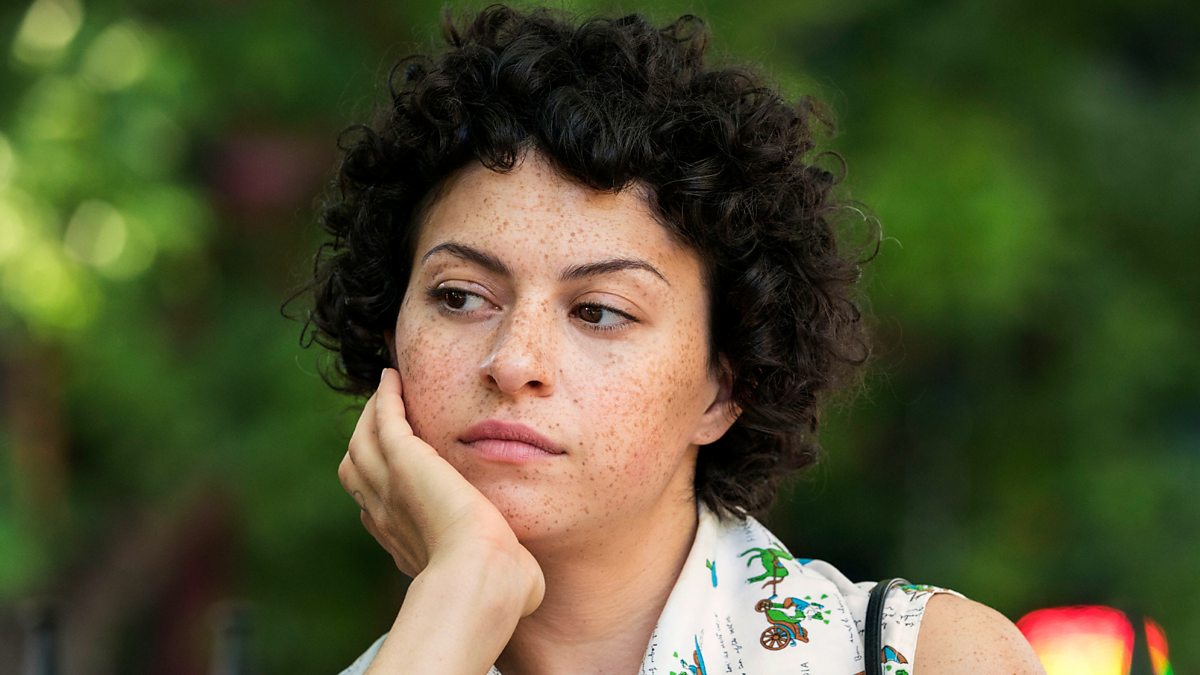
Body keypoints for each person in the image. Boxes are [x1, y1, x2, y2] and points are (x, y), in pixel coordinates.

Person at [301, 5, 1045, 673]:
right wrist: (462, 591)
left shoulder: (928, 658)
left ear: (724, 386)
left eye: (599, 311)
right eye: (460, 296)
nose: (514, 361)